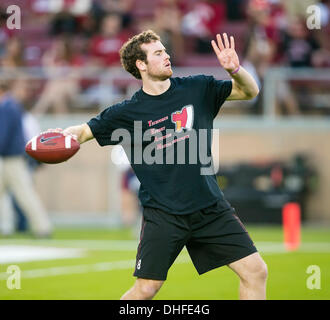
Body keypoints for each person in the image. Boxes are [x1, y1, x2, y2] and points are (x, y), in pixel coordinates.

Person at [49, 30, 267, 300]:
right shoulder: (126, 112)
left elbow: (250, 91)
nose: (166, 56)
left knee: (256, 271)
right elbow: (83, 132)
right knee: (146, 288)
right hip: (164, 214)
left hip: (209, 206)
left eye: (165, 50)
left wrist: (235, 69)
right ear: (141, 65)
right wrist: (62, 136)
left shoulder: (197, 88)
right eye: (158, 53)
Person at [0, 77, 52, 237]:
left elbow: (3, 134)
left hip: (11, 159)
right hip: (9, 157)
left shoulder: (7, 107)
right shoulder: (11, 105)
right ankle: (6, 227)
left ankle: (42, 227)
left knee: (24, 193)